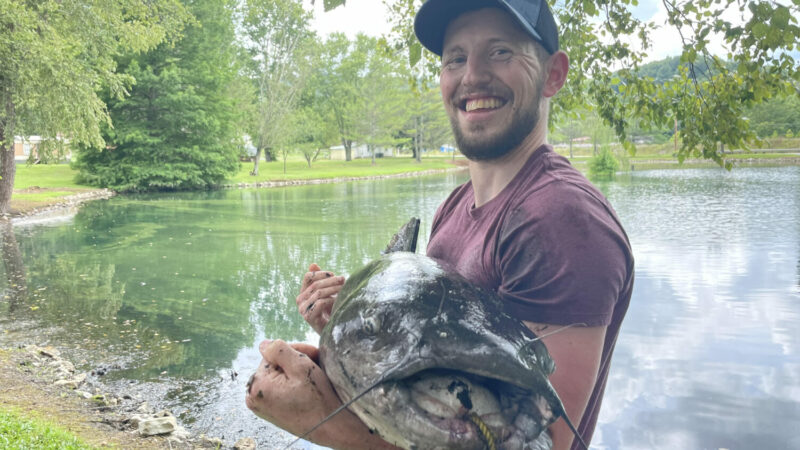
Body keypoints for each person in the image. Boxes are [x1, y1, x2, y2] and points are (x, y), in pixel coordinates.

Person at [245, 1, 634, 449]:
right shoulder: (457, 203)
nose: (472, 75)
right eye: (456, 58)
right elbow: (435, 358)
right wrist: (352, 327)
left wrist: (324, 421)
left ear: (553, 74)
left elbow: (540, 443)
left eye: (501, 52)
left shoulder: (563, 220)